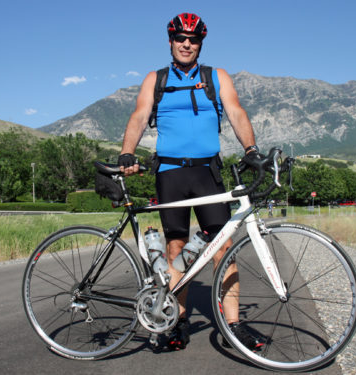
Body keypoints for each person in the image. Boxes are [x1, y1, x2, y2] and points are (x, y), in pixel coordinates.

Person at [118, 12, 262, 351]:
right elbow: (139, 115)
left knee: (222, 247)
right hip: (170, 173)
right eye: (181, 38)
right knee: (177, 249)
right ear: (170, 42)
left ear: (200, 44)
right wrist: (127, 153)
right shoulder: (156, 79)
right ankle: (178, 322)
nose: (187, 43)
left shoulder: (216, 76)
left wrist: (251, 149)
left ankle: (233, 326)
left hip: (207, 173)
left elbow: (237, 111)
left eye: (193, 39)